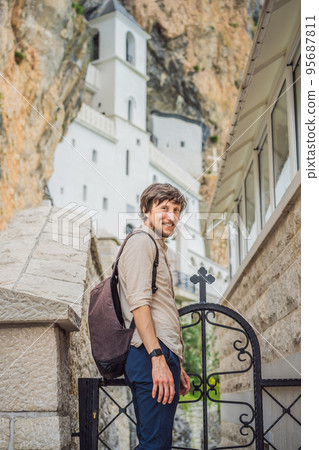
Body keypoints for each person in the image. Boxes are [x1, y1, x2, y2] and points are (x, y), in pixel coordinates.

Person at [118, 183, 191, 449]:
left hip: (158, 354)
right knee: (154, 445)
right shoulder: (141, 242)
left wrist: (176, 363)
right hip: (150, 356)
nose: (171, 216)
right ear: (147, 210)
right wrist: (158, 359)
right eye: (164, 208)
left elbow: (160, 310)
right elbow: (140, 305)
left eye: (177, 210)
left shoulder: (155, 246)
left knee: (156, 442)